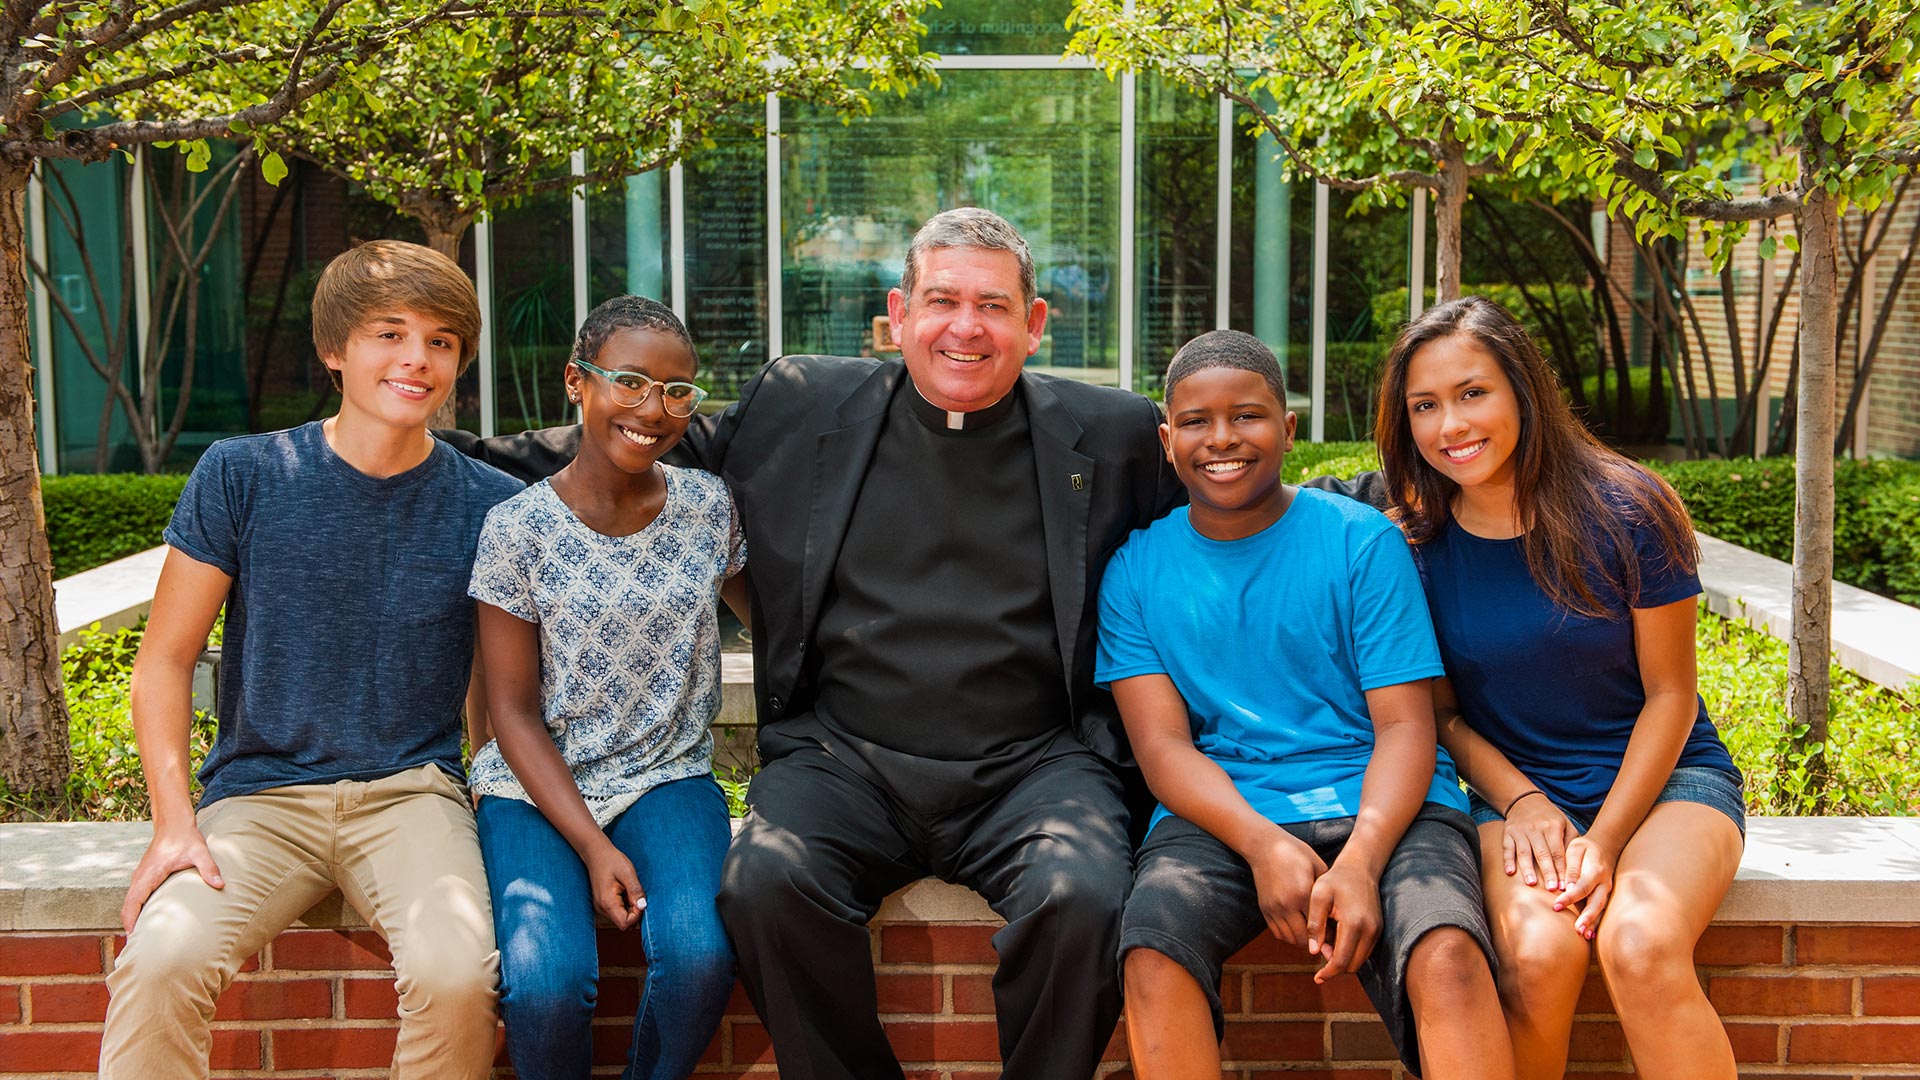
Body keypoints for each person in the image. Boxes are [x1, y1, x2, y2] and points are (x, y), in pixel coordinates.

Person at [458, 206, 1184, 1080]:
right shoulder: (801, 405)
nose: (964, 327)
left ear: (1032, 324)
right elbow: (633, 437)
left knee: (1088, 895)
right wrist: (415, 446)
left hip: (1034, 769)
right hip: (848, 761)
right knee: (763, 886)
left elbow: (1230, 500)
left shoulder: (1112, 434)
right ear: (898, 313)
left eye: (992, 306)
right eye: (941, 299)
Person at [101, 241, 519, 1079]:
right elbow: (164, 662)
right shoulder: (245, 474)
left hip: (411, 797)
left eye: (441, 341)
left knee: (458, 977)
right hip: (258, 798)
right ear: (335, 350)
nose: (416, 359)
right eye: (388, 334)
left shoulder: (491, 504)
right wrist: (174, 825)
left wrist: (485, 788)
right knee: (160, 961)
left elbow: (495, 688)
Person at [1096, 330, 1513, 1080]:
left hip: (1388, 797)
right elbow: (1164, 751)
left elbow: (1405, 727)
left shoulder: (1361, 545)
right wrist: (1261, 844)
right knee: (1153, 951)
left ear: (1288, 430)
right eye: (1195, 422)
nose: (1222, 439)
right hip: (1224, 809)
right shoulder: (1135, 571)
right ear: (1167, 440)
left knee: (1448, 953)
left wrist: (1361, 862)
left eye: (1248, 417)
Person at [1375, 296, 1746, 1080]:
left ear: (1522, 388)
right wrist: (1524, 801)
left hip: (1666, 782)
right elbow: (1438, 716)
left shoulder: (1630, 509)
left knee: (1639, 946)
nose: (1452, 425)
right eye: (1426, 406)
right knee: (1541, 957)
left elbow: (1672, 696)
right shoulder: (1410, 540)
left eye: (1474, 392)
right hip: (1511, 798)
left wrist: (1605, 842)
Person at [467, 296, 748, 1080]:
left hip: (668, 772)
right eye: (628, 382)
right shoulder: (515, 527)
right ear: (576, 383)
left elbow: (788, 624)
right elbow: (510, 713)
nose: (653, 410)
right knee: (547, 986)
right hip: (533, 783)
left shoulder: (709, 509)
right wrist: (592, 846)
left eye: (677, 391)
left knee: (698, 958)